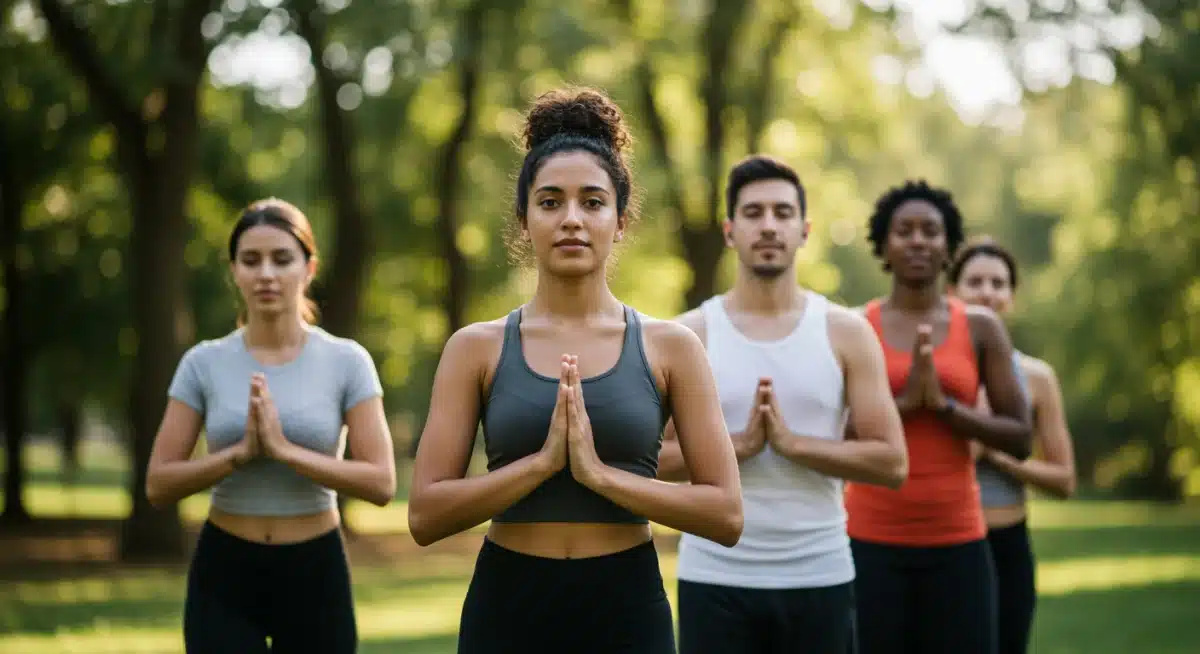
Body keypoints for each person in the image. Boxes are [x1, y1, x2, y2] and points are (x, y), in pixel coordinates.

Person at [407, 87, 743, 654]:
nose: (571, 219)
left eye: (592, 201)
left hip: (625, 606)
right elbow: (424, 513)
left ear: (621, 220)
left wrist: (600, 476)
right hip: (508, 606)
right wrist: (541, 465)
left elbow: (726, 513)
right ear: (523, 220)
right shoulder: (476, 349)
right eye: (549, 201)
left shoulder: (672, 348)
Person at [657, 155, 908, 654]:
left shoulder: (846, 332)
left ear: (804, 229)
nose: (768, 225)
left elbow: (892, 461)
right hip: (714, 577)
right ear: (730, 231)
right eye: (753, 213)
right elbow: (648, 462)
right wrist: (738, 447)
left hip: (820, 573)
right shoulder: (688, 335)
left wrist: (793, 444)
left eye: (782, 212)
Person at [145, 198, 397, 654]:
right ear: (234, 271)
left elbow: (381, 482)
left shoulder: (347, 361)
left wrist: (284, 451)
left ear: (309, 267)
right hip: (225, 570)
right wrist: (239, 455)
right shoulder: (203, 363)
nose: (266, 273)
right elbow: (159, 483)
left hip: (315, 569)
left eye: (282, 259)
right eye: (251, 260)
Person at [845, 180, 1033, 654]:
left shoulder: (981, 327)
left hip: (960, 544)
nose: (917, 240)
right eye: (903, 230)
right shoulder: (853, 326)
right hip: (868, 541)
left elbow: (1020, 437)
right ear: (884, 245)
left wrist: (947, 410)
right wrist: (906, 403)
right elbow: (831, 434)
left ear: (948, 246)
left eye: (931, 230)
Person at [949, 236, 1076, 654]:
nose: (988, 291)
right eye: (975, 281)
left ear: (1012, 297)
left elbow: (1064, 481)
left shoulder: (1037, 378)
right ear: (952, 292)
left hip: (1009, 547)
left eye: (999, 283)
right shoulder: (937, 372)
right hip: (945, 543)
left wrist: (1000, 453)